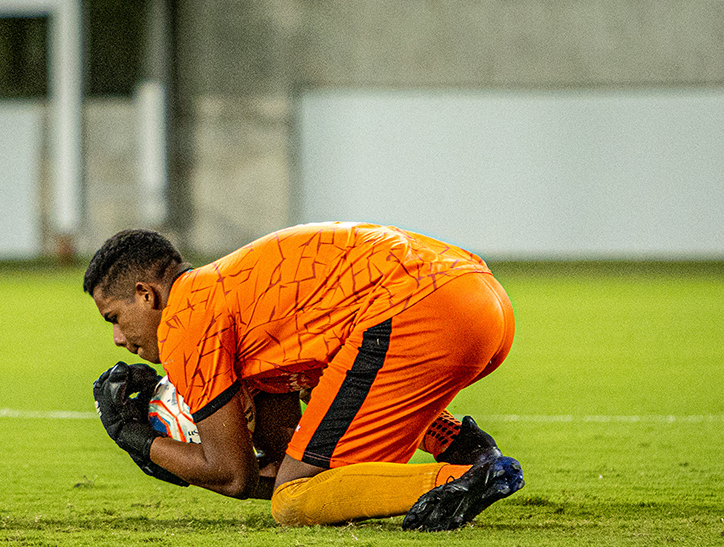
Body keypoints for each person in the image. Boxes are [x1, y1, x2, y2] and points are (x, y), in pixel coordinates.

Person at [86, 222, 523, 531]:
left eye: (115, 318)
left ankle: (462, 477)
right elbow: (288, 458)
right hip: (481, 300)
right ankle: (462, 444)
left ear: (146, 295)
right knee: (322, 404)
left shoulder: (184, 321)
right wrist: (187, 462)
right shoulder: (226, 293)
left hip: (419, 310)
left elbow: (233, 474)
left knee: (294, 503)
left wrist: (137, 437)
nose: (119, 339)